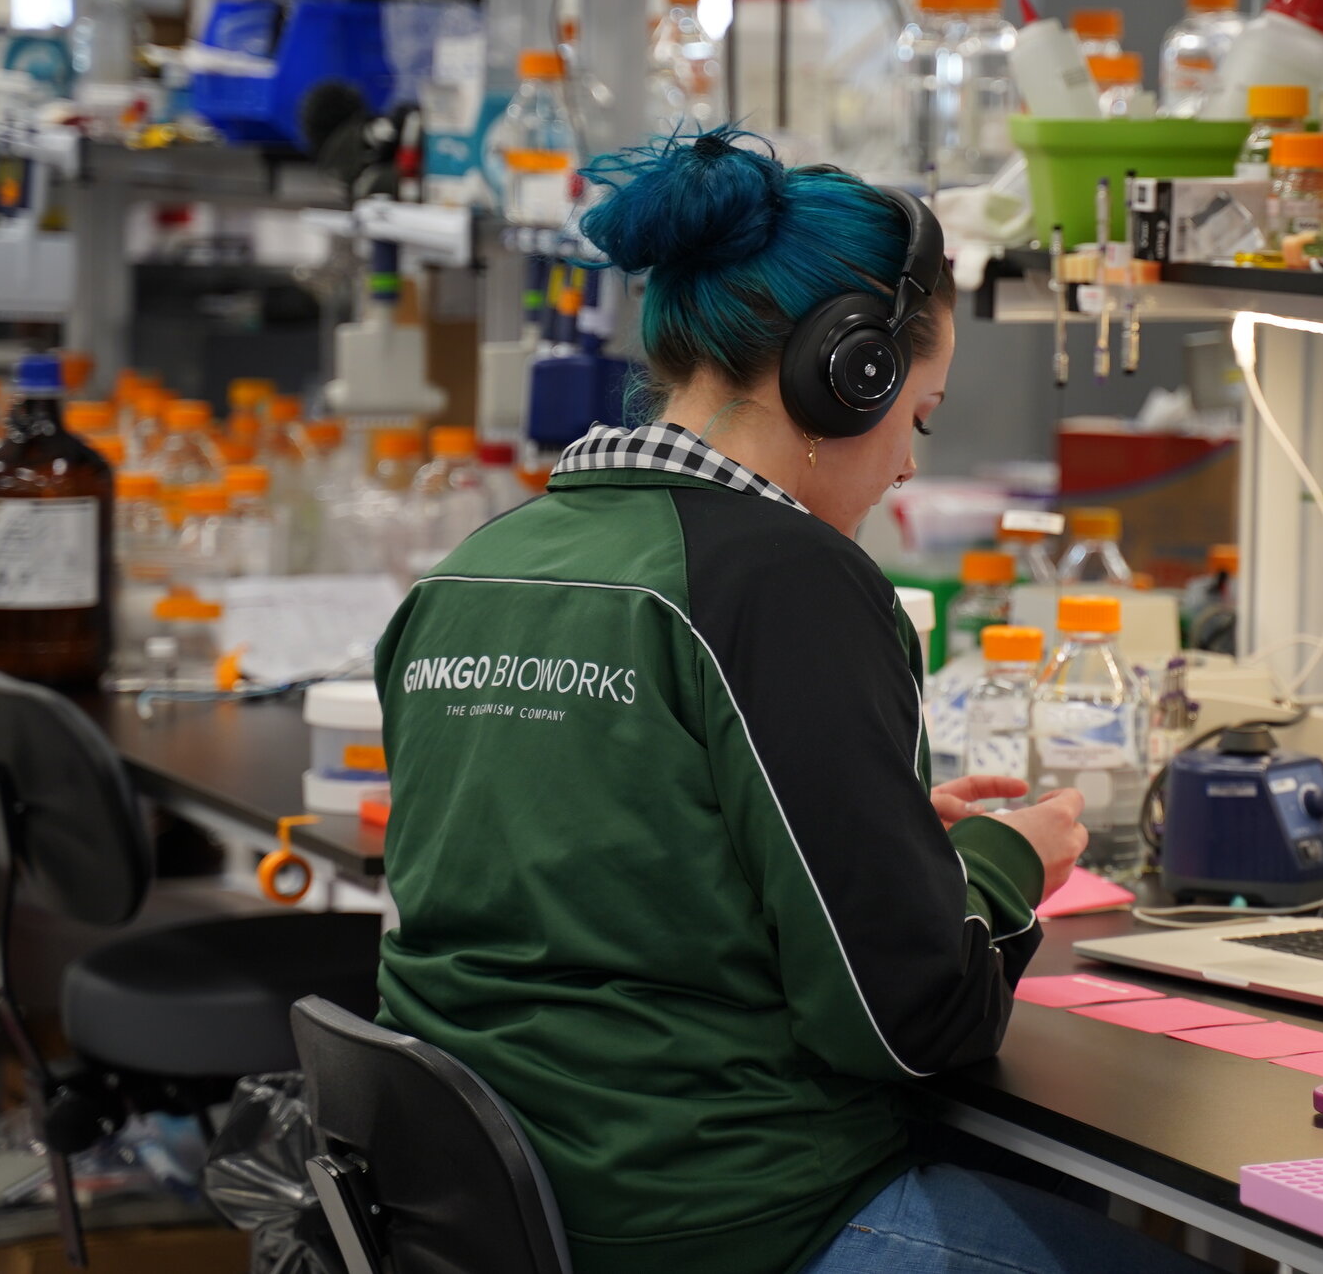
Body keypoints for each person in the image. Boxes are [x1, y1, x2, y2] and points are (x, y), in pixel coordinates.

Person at [373, 130, 1211, 1274]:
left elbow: (626, 865)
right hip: (725, 1219)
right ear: (844, 370)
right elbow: (905, 1022)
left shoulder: (482, 563)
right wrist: (1009, 864)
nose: (910, 464)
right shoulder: (788, 581)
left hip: (488, 1211)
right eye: (915, 416)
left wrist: (897, 842)